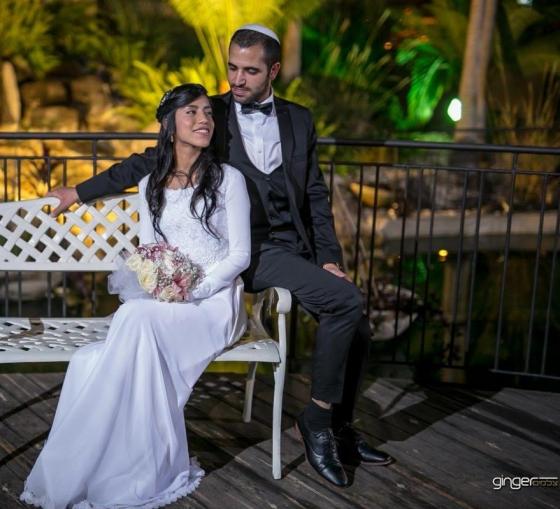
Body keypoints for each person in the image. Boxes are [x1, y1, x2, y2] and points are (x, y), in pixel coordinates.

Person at [48, 24, 394, 487]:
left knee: (359, 326)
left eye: (250, 71)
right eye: (232, 68)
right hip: (250, 250)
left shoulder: (299, 119)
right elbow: (150, 160)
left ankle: (337, 427)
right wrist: (79, 191)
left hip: (297, 247)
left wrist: (328, 257)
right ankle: (315, 422)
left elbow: (315, 194)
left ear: (273, 70)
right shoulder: (211, 115)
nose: (237, 79)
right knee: (346, 301)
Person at [20, 84, 251, 508]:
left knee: (133, 321)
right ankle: (102, 465)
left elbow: (240, 255)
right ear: (169, 125)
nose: (204, 119)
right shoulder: (150, 184)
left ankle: (140, 465)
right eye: (191, 112)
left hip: (216, 303)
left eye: (208, 112)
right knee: (92, 355)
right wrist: (161, 287)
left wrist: (195, 289)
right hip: (167, 302)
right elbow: (148, 253)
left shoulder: (228, 179)